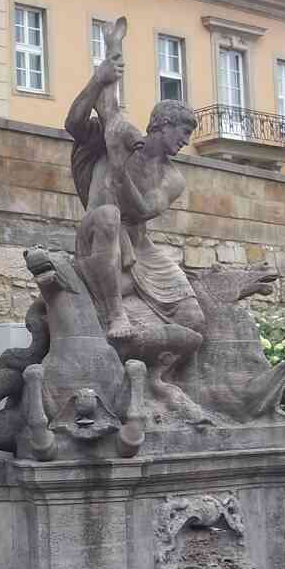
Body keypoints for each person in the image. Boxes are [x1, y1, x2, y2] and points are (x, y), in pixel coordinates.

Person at [65, 18, 205, 343]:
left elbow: (141, 210)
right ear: (163, 124)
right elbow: (76, 122)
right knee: (109, 215)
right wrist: (98, 79)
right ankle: (116, 314)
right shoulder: (117, 136)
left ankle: (161, 366)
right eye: (184, 132)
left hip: (140, 247)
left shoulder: (172, 178)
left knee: (193, 317)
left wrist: (119, 170)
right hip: (98, 233)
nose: (186, 141)